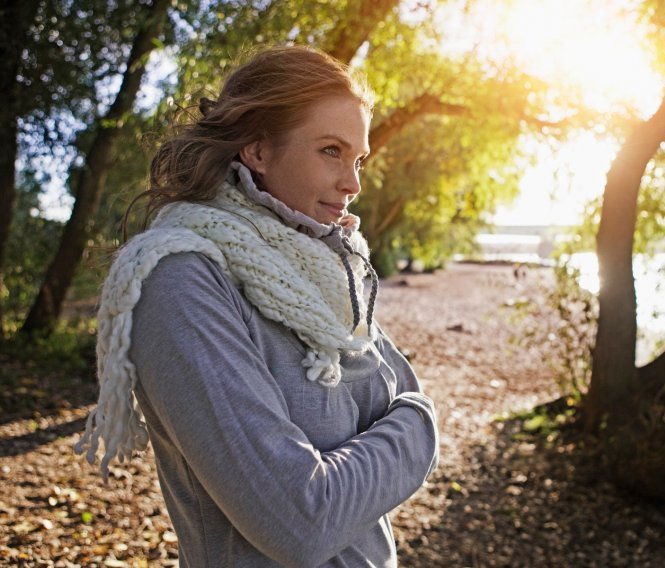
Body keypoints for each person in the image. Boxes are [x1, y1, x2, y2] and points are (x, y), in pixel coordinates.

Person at [75, 46, 439, 567]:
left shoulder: (329, 268)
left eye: (358, 159)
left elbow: (396, 387)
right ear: (257, 150)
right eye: (330, 150)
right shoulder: (181, 279)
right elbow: (300, 522)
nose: (353, 184)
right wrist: (422, 427)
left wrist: (397, 425)